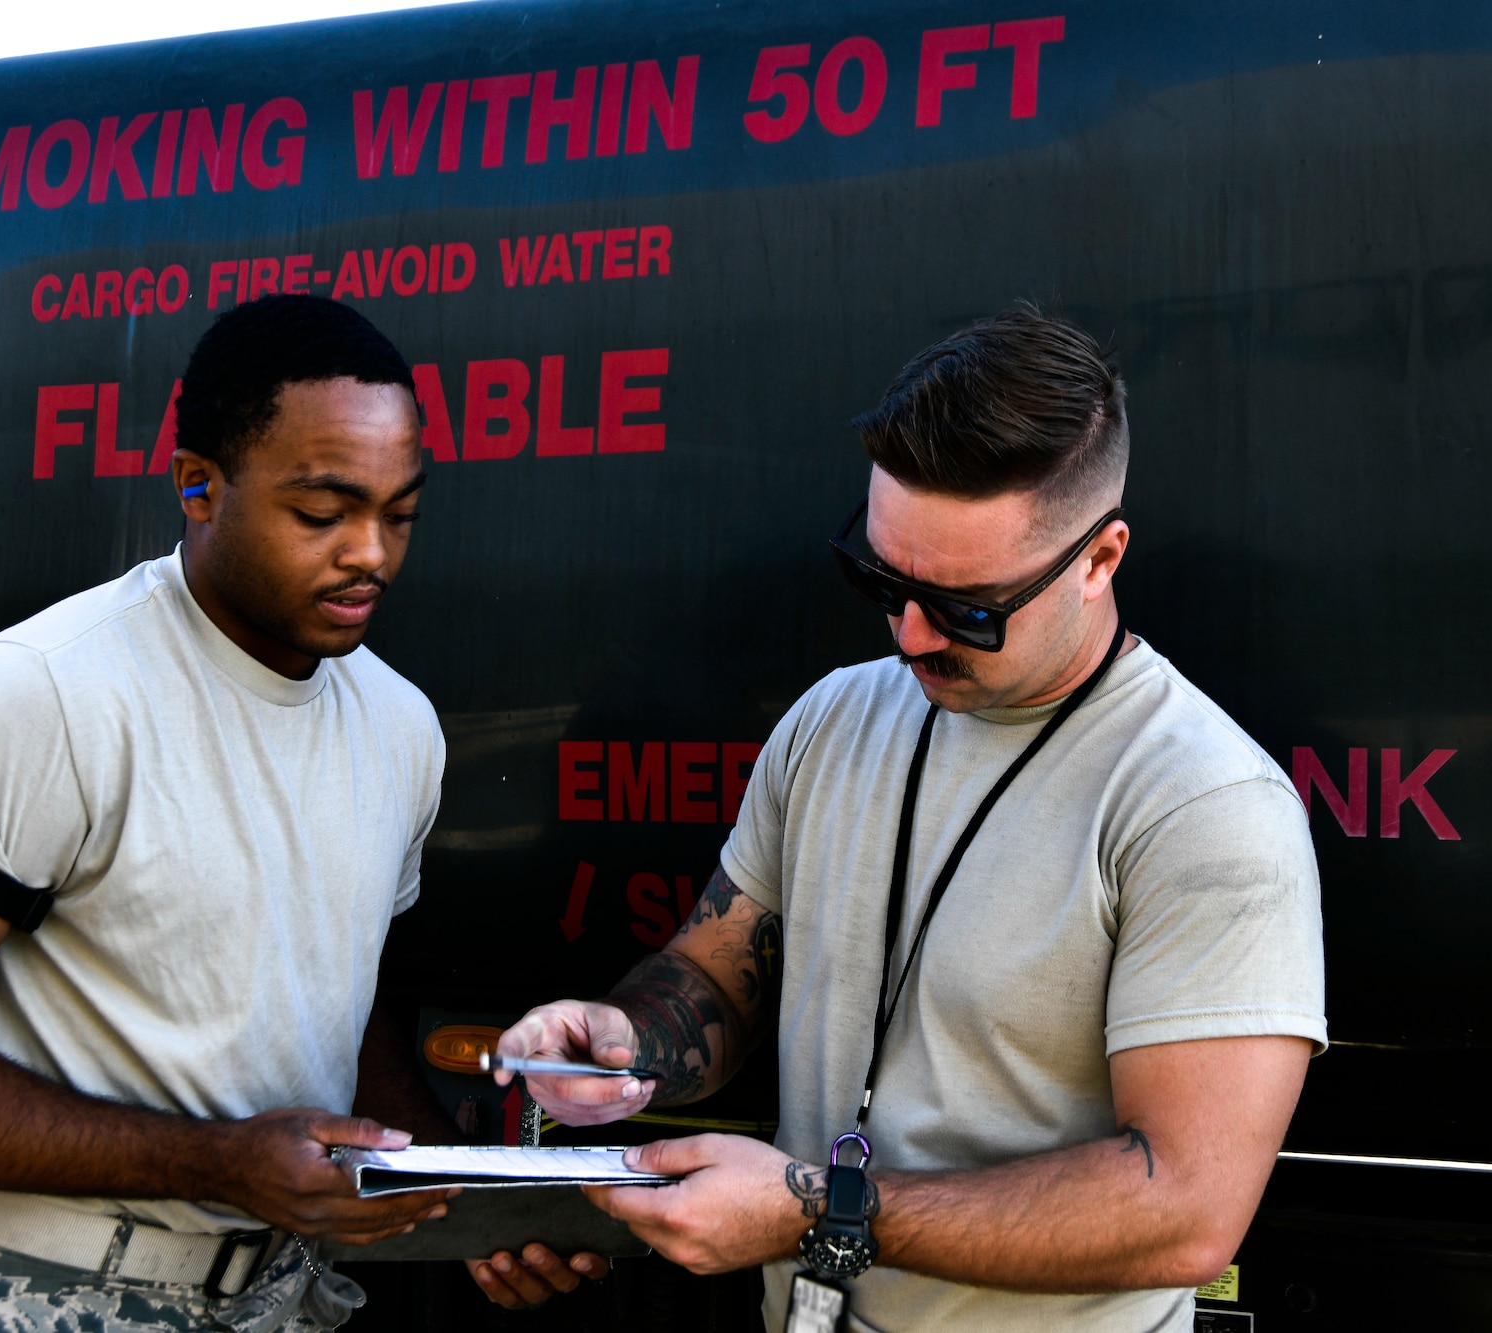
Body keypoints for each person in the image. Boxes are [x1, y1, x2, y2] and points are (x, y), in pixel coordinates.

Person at [0, 294, 603, 1331]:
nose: (371, 555)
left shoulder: (400, 726)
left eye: (399, 514)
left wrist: (449, 1192)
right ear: (197, 486)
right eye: (321, 512)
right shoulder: (43, 695)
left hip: (279, 1298)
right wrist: (219, 1164)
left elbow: (349, 987)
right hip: (18, 1288)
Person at [491, 308, 1327, 1331]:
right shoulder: (832, 717)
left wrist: (817, 1211)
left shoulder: (1202, 805)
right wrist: (620, 1046)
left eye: (968, 606)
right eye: (883, 580)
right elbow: (715, 975)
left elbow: (1184, 1214)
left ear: (1098, 559)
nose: (912, 635)